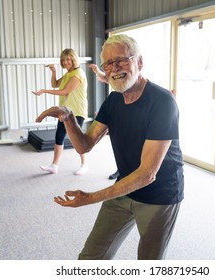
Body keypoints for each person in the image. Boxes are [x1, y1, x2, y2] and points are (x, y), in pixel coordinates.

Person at [36, 34, 184, 260]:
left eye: (121, 60)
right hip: (124, 187)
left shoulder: (162, 101)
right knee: (91, 257)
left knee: (149, 261)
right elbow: (84, 146)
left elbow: (147, 174)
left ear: (139, 62)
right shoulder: (114, 101)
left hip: (160, 195)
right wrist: (68, 117)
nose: (114, 68)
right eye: (108, 63)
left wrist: (90, 198)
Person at [32, 48, 89, 175]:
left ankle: (85, 164)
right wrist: (53, 71)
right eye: (63, 60)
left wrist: (44, 91)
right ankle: (54, 165)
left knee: (77, 140)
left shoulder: (77, 74)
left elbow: (65, 91)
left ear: (73, 59)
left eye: (68, 59)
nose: (65, 62)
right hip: (65, 110)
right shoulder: (68, 73)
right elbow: (55, 84)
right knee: (59, 136)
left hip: (76, 111)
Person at [89, 63, 119, 180]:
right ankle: (120, 169)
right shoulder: (114, 95)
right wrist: (98, 72)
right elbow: (109, 78)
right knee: (118, 144)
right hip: (117, 109)